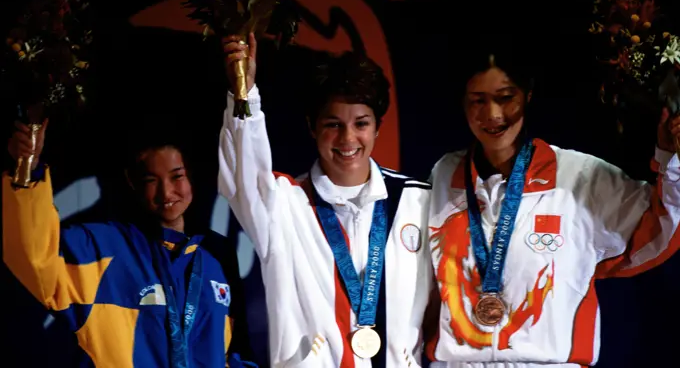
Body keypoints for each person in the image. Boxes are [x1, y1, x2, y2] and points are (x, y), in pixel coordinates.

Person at [425, 38, 680, 367]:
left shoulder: (580, 178)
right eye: (478, 101)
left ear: (527, 95)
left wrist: (670, 159)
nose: (492, 114)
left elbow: (661, 228)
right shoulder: (443, 177)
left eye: (506, 98)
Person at [219, 34, 433, 367]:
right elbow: (241, 176)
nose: (348, 138)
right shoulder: (284, 206)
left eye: (361, 124)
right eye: (333, 124)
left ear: (378, 127)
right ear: (312, 127)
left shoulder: (417, 201)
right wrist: (244, 94)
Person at [3, 120, 255, 367]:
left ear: (192, 175)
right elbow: (35, 256)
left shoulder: (216, 253)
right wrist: (27, 172)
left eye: (177, 176)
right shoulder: (102, 246)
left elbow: (235, 349)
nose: (166, 192)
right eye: (150, 180)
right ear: (132, 181)